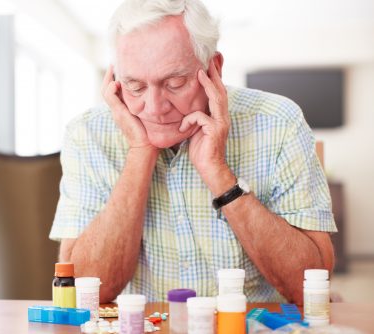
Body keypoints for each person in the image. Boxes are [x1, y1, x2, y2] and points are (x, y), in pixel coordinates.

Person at [49, 0, 336, 304]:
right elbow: (81, 292)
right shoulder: (86, 133)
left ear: (214, 69)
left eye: (174, 83)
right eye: (135, 86)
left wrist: (218, 172)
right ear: (115, 81)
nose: (155, 108)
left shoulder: (279, 122)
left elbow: (311, 287)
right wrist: (140, 151)